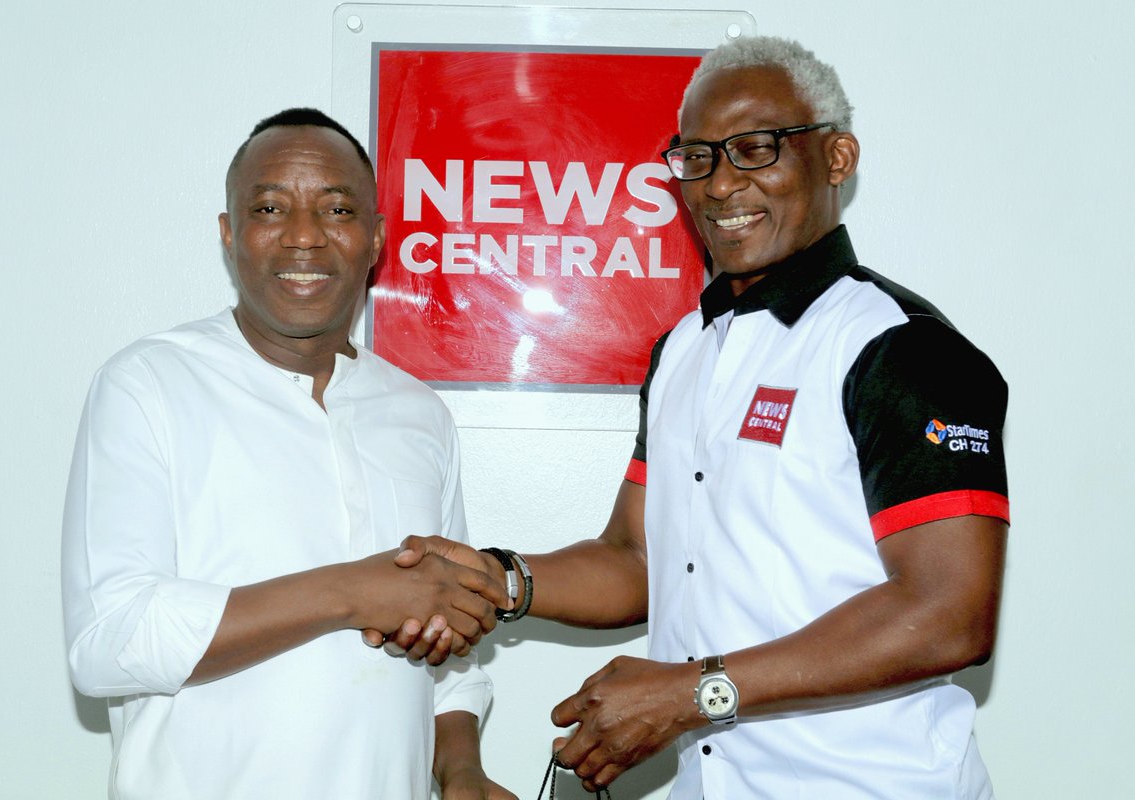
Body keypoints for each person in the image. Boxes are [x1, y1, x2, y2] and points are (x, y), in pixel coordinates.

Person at [380, 37, 1010, 798]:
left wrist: (691, 692)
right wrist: (504, 580)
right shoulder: (683, 349)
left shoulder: (900, 349)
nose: (720, 185)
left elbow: (948, 615)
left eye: (755, 149)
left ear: (837, 157)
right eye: (699, 158)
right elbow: (639, 560)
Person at [61, 108, 516, 800]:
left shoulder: (420, 414)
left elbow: (445, 645)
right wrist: (349, 591)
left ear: (376, 240)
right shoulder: (149, 383)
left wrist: (460, 770)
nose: (304, 236)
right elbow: (108, 642)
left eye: (337, 209)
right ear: (229, 234)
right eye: (270, 207)